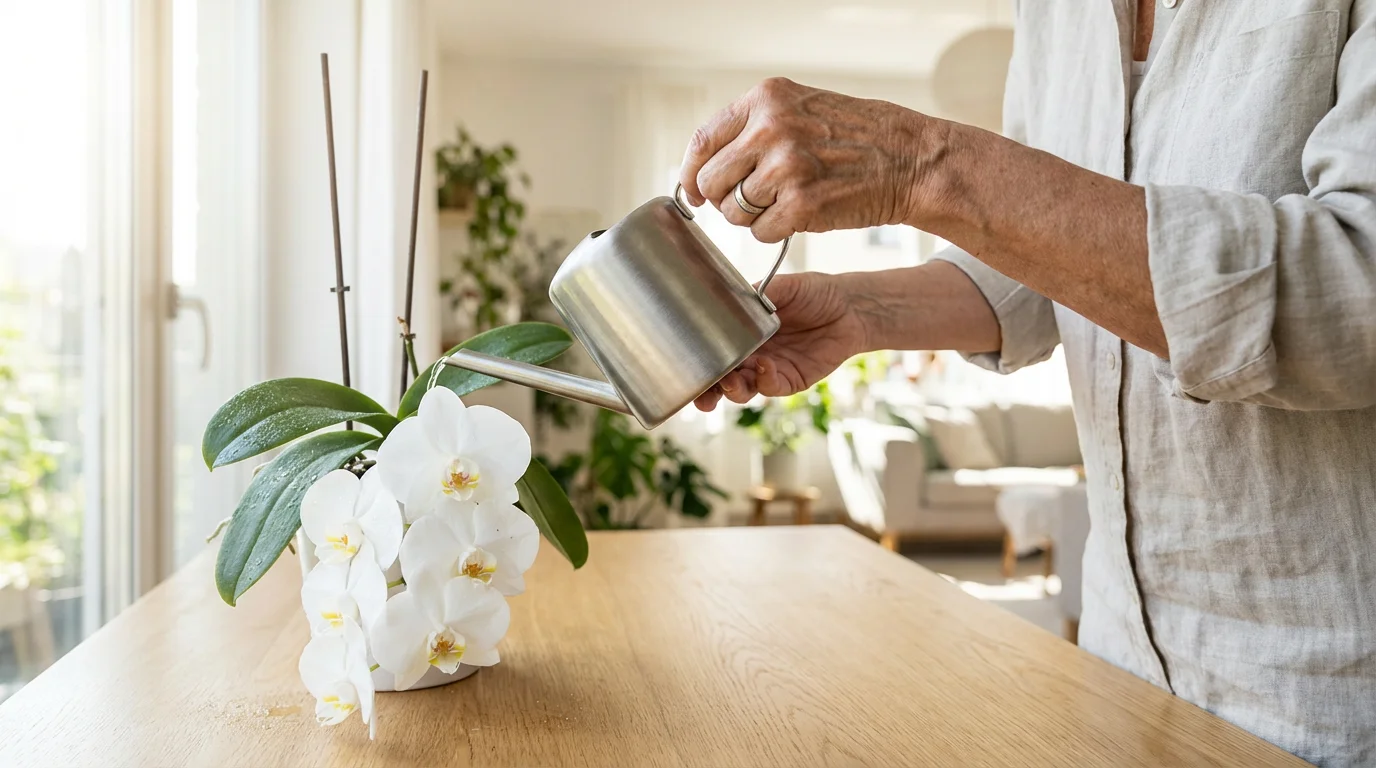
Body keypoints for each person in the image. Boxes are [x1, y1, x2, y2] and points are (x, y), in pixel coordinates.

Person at [679, 2, 1376, 765]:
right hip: (1121, 670)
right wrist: (862, 311)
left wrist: (927, 165)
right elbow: (1056, 264)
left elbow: (1353, 291)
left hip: (1334, 701)